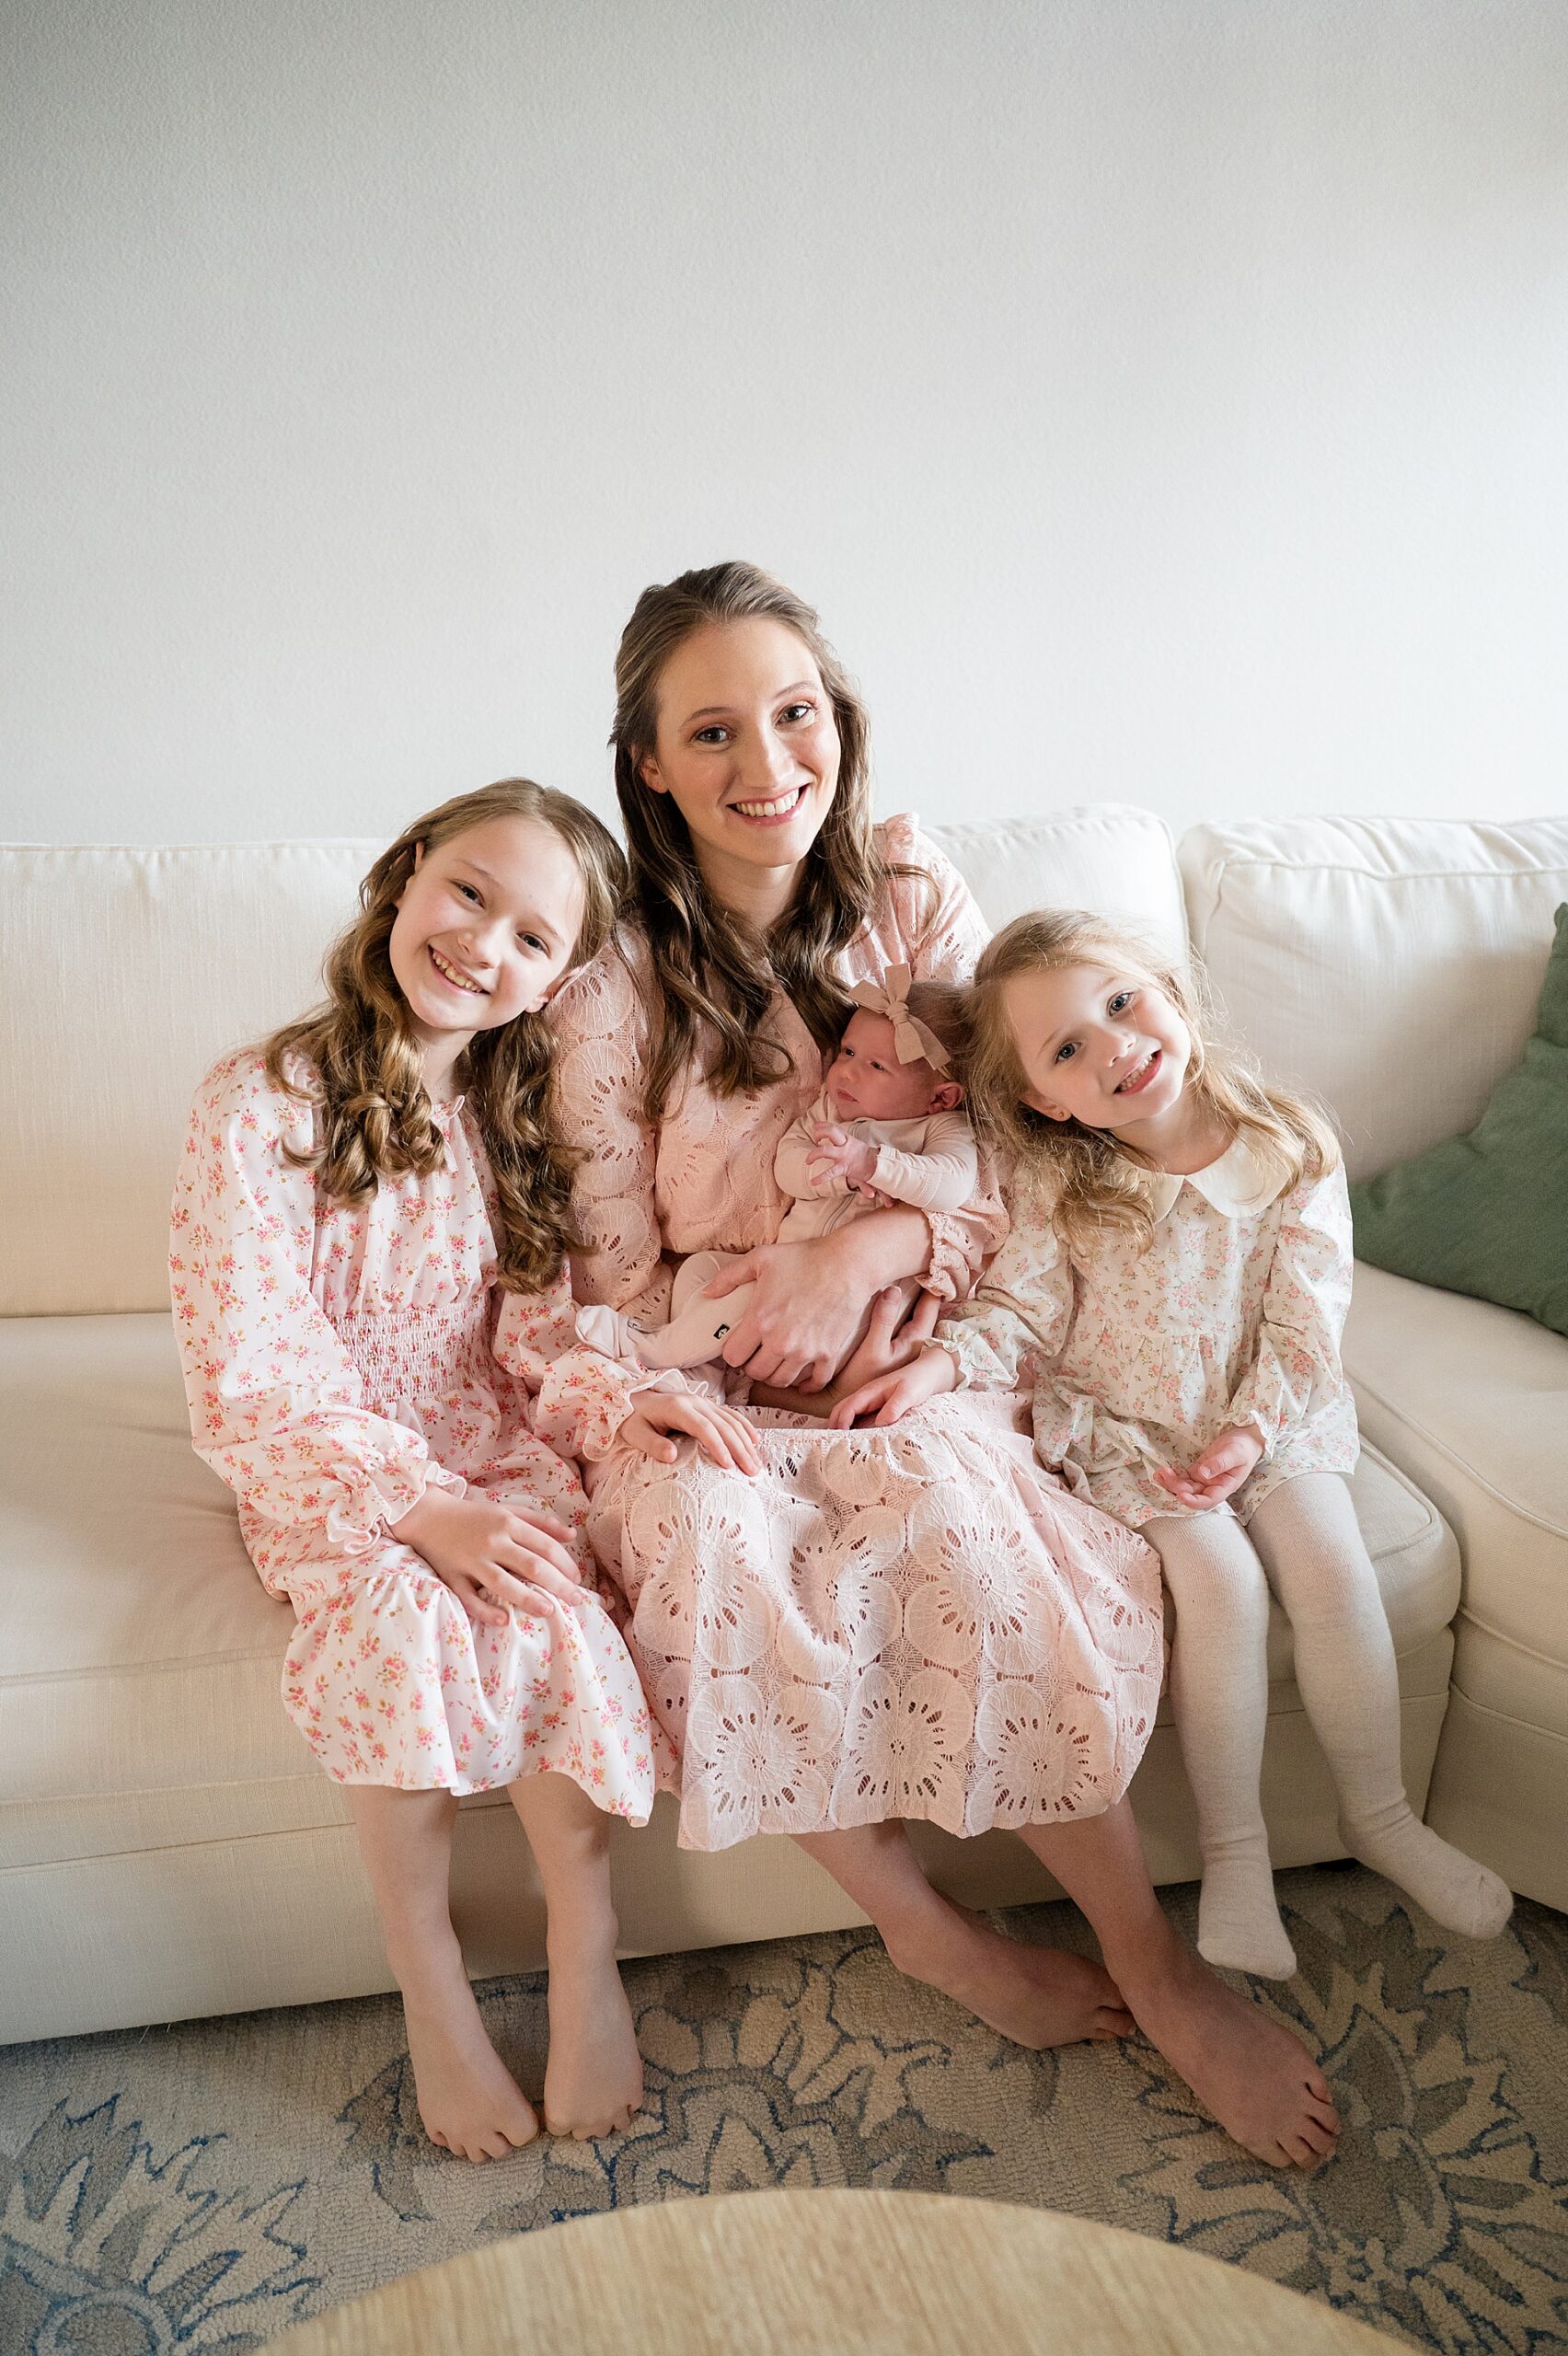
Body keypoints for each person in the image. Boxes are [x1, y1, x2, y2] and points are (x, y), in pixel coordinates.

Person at [552, 561, 1343, 2166]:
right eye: (709, 731)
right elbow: (603, 1267)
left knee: (957, 1520)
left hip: (928, 1317)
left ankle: (1152, 1963)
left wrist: (875, 1254)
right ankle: (923, 1929)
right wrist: (729, 1337)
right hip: (700, 1363)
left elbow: (1028, 1152)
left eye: (791, 713)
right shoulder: (606, 976)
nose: (764, 761)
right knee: (711, 1553)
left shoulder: (912, 900)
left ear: (835, 718)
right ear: (645, 764)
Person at [169, 780, 744, 2162]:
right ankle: (428, 1978)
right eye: (471, 894)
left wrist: (621, 1401)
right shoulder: (258, 1105)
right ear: (410, 872)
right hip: (336, 1462)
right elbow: (250, 1364)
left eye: (534, 940)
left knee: (553, 1598)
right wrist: (417, 1511)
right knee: (406, 1615)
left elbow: (532, 1332)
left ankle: (583, 1941)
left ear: (552, 984)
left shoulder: (505, 1111)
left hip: (480, 1433)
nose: (486, 945)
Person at [844, 906, 1513, 1988]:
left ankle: (1381, 1816)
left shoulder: (1289, 1142)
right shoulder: (1065, 1182)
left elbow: (1308, 1314)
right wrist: (937, 1365)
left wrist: (1253, 1433)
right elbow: (1019, 1309)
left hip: (1271, 1416)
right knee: (1224, 1589)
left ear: (1170, 991)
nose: (1114, 1045)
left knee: (1337, 1575)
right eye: (1068, 1048)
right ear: (1038, 1098)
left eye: (1121, 1002)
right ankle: (1235, 1860)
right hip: (1132, 1432)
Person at [581, 967, 976, 1371]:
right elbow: (787, 1164)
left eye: (877, 1067)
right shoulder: (831, 1109)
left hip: (843, 1311)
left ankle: (656, 1352)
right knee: (704, 1270)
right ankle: (699, 1355)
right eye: (848, 1052)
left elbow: (953, 1185)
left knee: (739, 1304)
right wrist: (834, 1173)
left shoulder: (941, 1127)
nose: (847, 1071)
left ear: (941, 1098)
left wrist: (873, 1164)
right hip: (785, 1265)